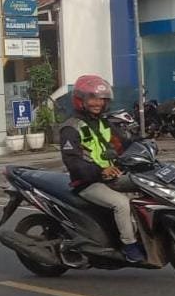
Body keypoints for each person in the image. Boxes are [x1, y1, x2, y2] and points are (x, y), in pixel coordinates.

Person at [58, 75, 147, 264]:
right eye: (92, 98)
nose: (98, 103)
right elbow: (73, 162)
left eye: (101, 99)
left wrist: (145, 145)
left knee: (145, 190)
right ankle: (129, 246)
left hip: (111, 176)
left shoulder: (104, 122)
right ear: (81, 100)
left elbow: (123, 143)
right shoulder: (70, 128)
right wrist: (100, 172)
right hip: (87, 182)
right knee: (121, 204)